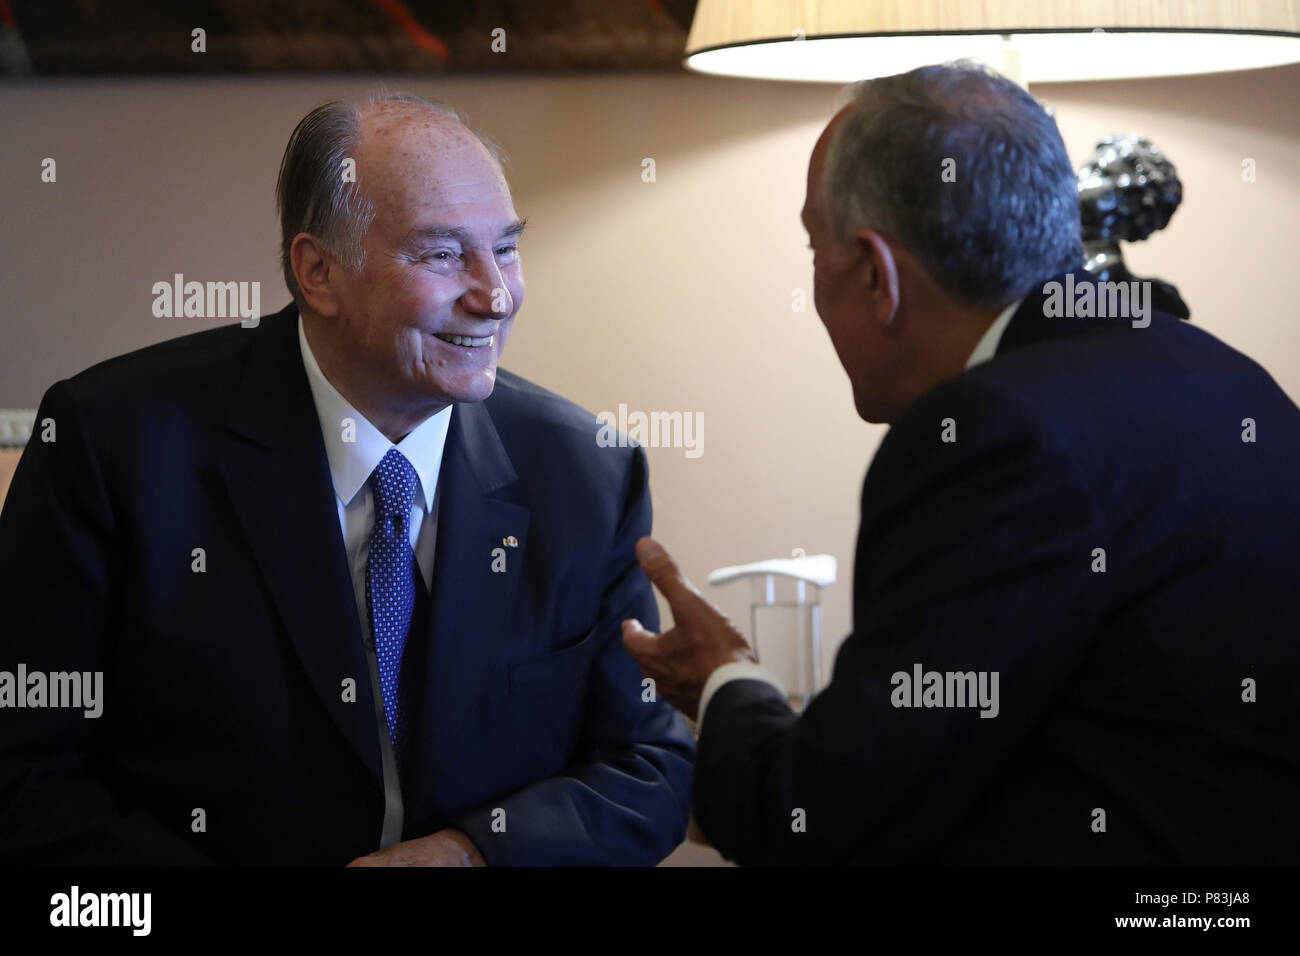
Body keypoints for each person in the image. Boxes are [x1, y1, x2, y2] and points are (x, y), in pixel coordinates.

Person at [622, 62, 1300, 865]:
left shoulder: (992, 434)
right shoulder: (1226, 376)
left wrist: (728, 682)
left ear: (877, 275)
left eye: (816, 247)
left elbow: (826, 821)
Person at [0, 93, 693, 866]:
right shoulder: (110, 445)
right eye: (440, 254)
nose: (494, 295)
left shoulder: (586, 471)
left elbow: (648, 768)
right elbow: (25, 774)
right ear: (319, 272)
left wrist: (474, 855)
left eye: (505, 248)